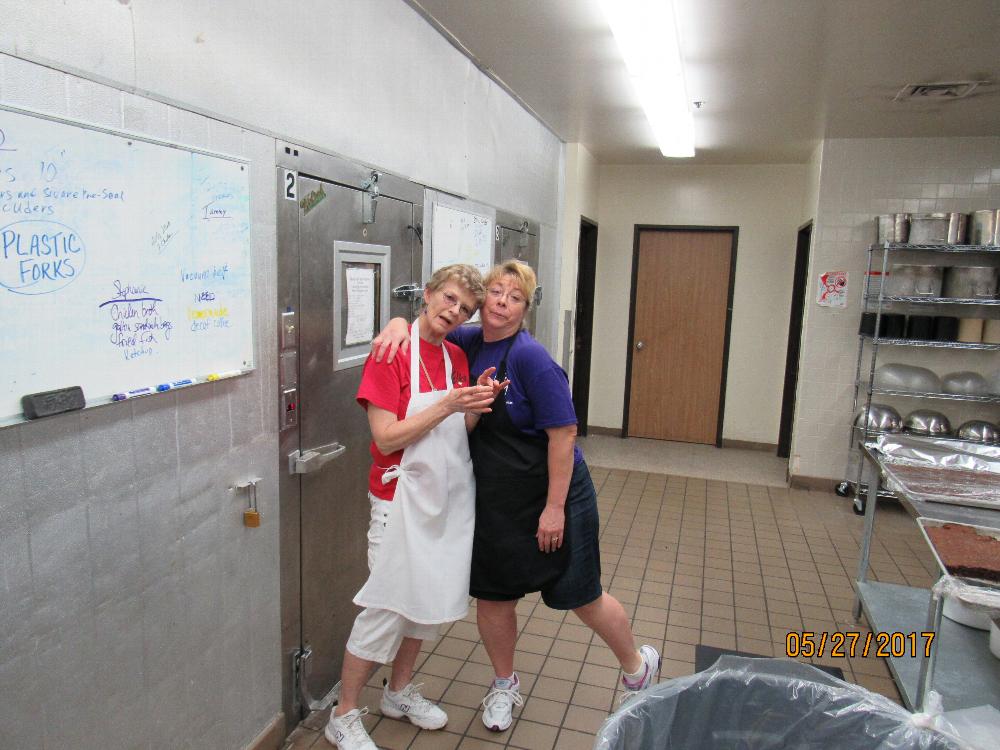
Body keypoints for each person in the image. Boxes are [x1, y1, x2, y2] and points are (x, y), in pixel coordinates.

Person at [373, 260, 659, 734]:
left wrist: (553, 507)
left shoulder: (530, 359)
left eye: (516, 296)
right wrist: (398, 321)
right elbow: (425, 327)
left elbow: (564, 434)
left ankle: (636, 667)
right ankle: (505, 684)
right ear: (482, 300)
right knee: (494, 596)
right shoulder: (467, 341)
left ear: (526, 309)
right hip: (498, 499)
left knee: (579, 594)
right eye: (496, 292)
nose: (502, 302)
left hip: (556, 491)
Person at [325, 264, 503, 750]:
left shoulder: (453, 357)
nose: (454, 311)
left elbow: (455, 433)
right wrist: (447, 405)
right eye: (448, 298)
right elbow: (386, 437)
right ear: (426, 294)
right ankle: (342, 715)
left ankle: (398, 692)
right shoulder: (392, 353)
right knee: (384, 609)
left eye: (464, 308)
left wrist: (471, 406)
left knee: (423, 605)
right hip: (396, 501)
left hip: (441, 501)